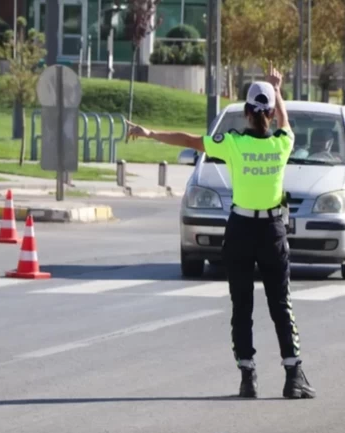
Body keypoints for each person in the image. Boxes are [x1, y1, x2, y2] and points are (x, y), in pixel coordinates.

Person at [125, 64, 315, 400]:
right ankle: (293, 376)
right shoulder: (282, 145)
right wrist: (278, 88)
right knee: (280, 304)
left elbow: (189, 140)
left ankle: (248, 376)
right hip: (272, 231)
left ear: (245, 112)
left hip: (240, 229)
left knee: (241, 306)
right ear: (269, 111)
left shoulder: (233, 144)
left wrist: (149, 132)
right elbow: (285, 123)